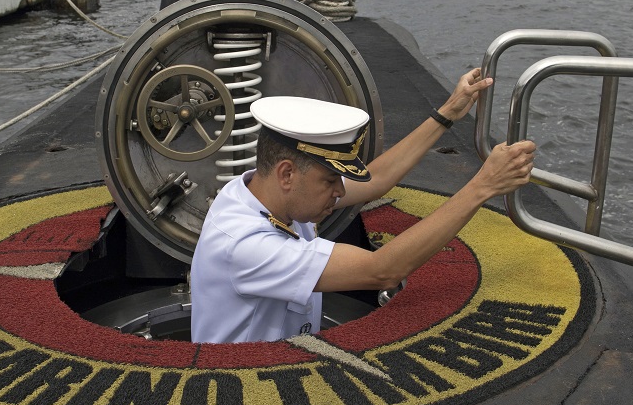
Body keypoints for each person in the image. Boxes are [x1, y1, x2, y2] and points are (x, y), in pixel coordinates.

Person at [189, 68, 536, 344]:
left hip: (282, 359)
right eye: (330, 181)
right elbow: (381, 271)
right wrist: (482, 187)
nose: (340, 193)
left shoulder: (258, 190)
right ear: (286, 173)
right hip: (244, 390)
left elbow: (375, 179)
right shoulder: (245, 245)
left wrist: (447, 114)